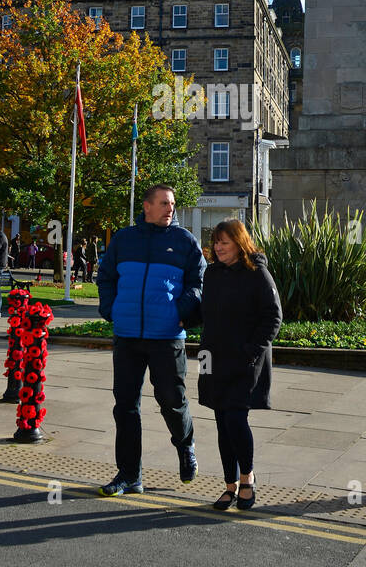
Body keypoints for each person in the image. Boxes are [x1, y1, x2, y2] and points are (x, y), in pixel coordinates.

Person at [96, 185, 205, 496]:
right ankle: (129, 474)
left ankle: (185, 444)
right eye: (164, 203)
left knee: (172, 400)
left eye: (172, 203)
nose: (170, 208)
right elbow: (106, 277)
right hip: (127, 336)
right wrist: (111, 309)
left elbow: (199, 282)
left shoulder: (184, 241)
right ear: (147, 206)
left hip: (166, 336)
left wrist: (181, 311)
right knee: (125, 407)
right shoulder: (124, 239)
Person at [198, 220, 282, 512]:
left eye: (225, 242)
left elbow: (273, 317)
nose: (218, 247)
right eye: (216, 242)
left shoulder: (257, 273)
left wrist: (250, 352)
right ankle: (229, 485)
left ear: (239, 243)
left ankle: (247, 478)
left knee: (235, 419)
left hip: (245, 361)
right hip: (213, 358)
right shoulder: (212, 273)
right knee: (222, 422)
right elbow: (207, 313)